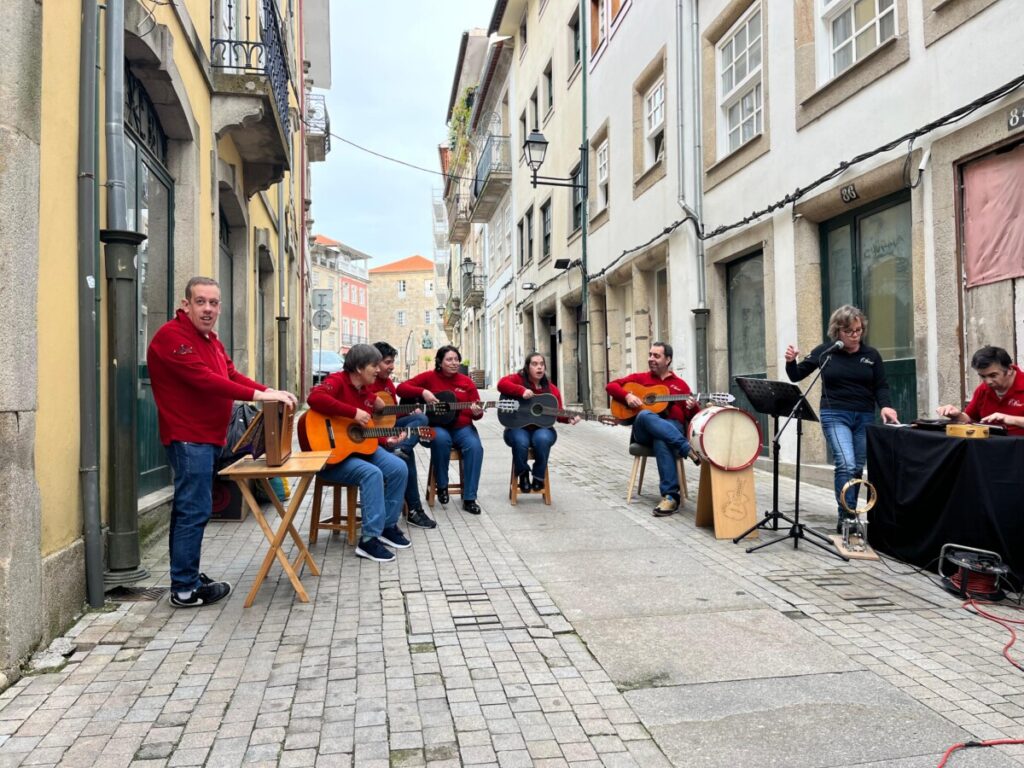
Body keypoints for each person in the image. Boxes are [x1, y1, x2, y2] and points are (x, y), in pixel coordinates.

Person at [148, 276, 298, 608]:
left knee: (190, 509)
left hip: (207, 438)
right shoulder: (173, 338)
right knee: (194, 510)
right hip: (189, 439)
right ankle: (185, 590)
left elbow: (231, 375)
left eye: (214, 303)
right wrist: (260, 394)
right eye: (200, 301)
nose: (208, 309)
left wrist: (268, 390)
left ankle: (184, 574)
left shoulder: (211, 340)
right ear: (185, 305)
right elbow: (207, 381)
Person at [785, 305, 899, 532]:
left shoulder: (871, 355)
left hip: (864, 416)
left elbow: (881, 386)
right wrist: (790, 361)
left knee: (856, 467)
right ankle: (847, 516)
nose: (855, 335)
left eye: (859, 330)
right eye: (849, 331)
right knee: (845, 463)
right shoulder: (825, 352)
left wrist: (886, 406)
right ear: (837, 331)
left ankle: (847, 515)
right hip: (835, 414)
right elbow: (796, 375)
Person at [307, 343, 411, 563]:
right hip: (332, 457)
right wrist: (352, 412)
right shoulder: (337, 381)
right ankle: (368, 540)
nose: (378, 370)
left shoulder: (365, 391)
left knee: (399, 467)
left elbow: (366, 429)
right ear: (359, 368)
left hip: (357, 451)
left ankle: (387, 526)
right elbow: (314, 399)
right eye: (374, 365)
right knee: (372, 473)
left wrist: (386, 439)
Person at [607, 342, 700, 517]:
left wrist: (693, 406)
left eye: (656, 356)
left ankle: (670, 497)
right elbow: (611, 386)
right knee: (644, 415)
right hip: (644, 433)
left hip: (671, 429)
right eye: (650, 355)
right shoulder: (640, 379)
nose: (651, 359)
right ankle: (686, 449)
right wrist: (627, 396)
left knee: (662, 438)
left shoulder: (680, 385)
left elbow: (693, 417)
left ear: (668, 360)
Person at [397, 345, 485, 515]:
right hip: (436, 426)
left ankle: (469, 498)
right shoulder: (429, 377)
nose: (454, 363)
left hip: (462, 428)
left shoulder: (466, 382)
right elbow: (400, 389)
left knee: (475, 447)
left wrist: (478, 412)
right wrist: (423, 392)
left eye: (456, 359)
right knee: (441, 439)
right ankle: (442, 486)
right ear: (440, 362)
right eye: (449, 359)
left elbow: (477, 414)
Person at [370, 341, 436, 529]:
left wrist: (408, 413)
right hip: (372, 435)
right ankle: (415, 511)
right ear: (374, 363)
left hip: (389, 431)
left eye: (392, 362)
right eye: (388, 362)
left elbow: (390, 415)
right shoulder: (367, 382)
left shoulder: (388, 383)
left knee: (421, 419)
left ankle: (401, 447)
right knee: (407, 457)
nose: (392, 367)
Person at [497, 353, 579, 493]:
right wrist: (521, 390)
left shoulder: (552, 390)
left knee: (542, 439)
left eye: (541, 364)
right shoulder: (518, 379)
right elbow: (501, 384)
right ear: (527, 367)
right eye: (535, 364)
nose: (539, 367)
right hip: (516, 426)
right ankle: (522, 474)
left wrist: (568, 418)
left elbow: (557, 413)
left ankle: (538, 476)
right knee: (520, 441)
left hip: (543, 428)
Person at [937, 346, 1024, 435]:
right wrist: (957, 415)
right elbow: (970, 420)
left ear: (1009, 369)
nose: (988, 381)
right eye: (983, 376)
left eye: (993, 375)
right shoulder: (983, 390)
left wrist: (1009, 419)